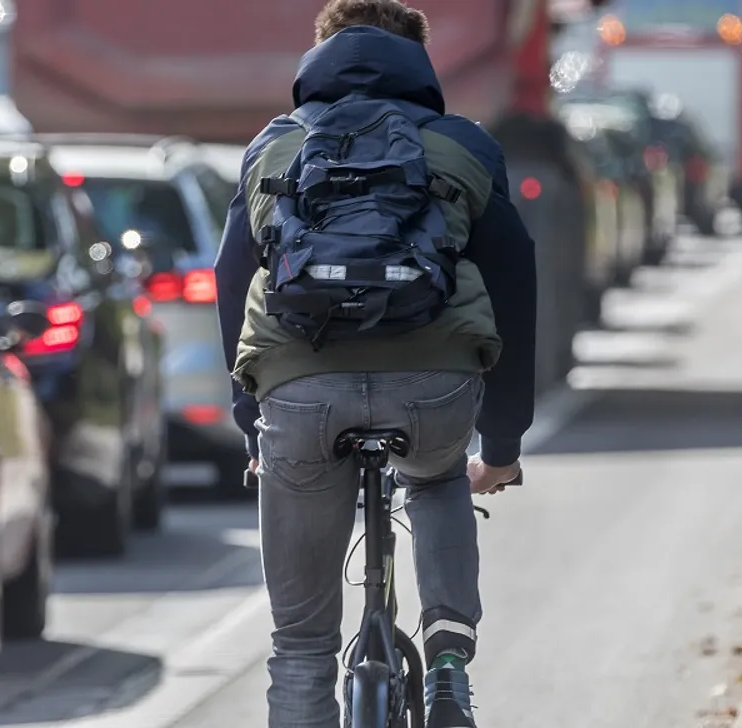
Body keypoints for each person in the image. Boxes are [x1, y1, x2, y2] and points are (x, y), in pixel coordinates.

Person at [214, 1, 537, 726]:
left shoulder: (273, 146)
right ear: (418, 61)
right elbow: (516, 284)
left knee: (300, 643)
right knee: (438, 474)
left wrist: (250, 424)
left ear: (320, 55)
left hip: (300, 391)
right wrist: (505, 442)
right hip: (433, 386)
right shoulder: (464, 146)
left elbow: (233, 284)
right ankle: (449, 667)